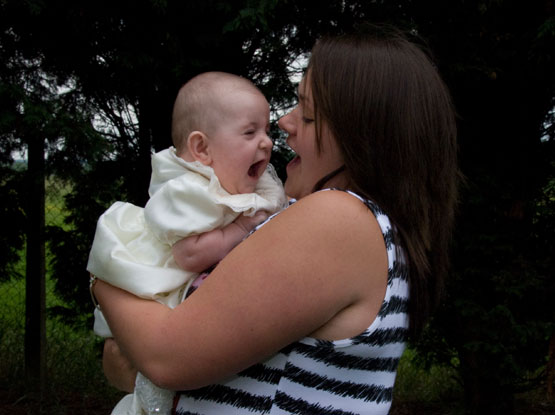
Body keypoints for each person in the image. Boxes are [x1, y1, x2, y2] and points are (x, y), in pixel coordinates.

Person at [92, 24, 460, 415]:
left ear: (364, 139)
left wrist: (107, 266)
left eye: (308, 115)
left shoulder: (339, 219)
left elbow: (165, 359)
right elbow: (127, 365)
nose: (284, 122)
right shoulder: (365, 229)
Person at [87, 71, 288, 414]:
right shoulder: (189, 192)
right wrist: (241, 227)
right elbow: (189, 254)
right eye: (250, 132)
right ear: (202, 149)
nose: (267, 142)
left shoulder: (239, 184)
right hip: (155, 285)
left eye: (266, 131)